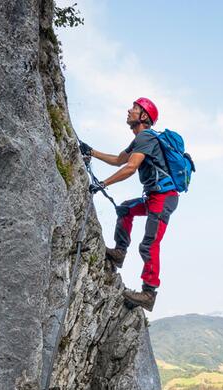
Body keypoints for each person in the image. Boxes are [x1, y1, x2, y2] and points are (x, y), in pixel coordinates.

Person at [79, 97, 177, 311]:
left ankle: (149, 293)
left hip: (163, 197)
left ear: (144, 116)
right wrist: (91, 151)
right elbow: (119, 160)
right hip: (154, 197)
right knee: (125, 209)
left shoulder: (146, 138)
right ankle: (120, 252)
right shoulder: (140, 139)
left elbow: (131, 168)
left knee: (149, 244)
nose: (129, 111)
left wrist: (103, 183)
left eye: (134, 108)